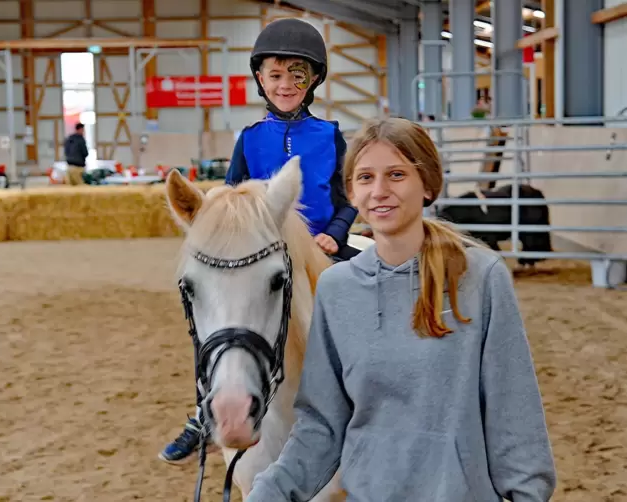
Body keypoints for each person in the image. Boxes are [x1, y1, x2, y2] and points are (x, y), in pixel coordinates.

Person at [243, 116, 557, 501]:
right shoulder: (337, 288)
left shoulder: (480, 278)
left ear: (427, 185)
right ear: (352, 194)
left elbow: (515, 415)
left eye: (395, 175)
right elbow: (321, 426)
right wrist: (267, 494)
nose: (379, 191)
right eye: (365, 178)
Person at [158, 17, 360, 465]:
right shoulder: (249, 138)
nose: (286, 84)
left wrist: (334, 233)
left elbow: (348, 200)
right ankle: (203, 410)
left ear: (312, 82)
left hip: (324, 247)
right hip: (263, 248)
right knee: (226, 319)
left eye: (297, 76)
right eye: (275, 75)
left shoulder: (330, 135)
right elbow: (226, 197)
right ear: (260, 80)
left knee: (363, 303)